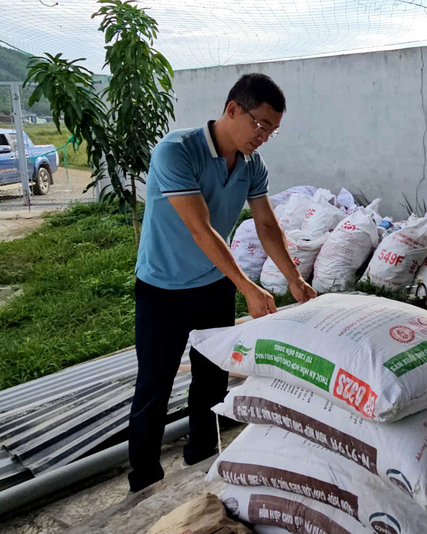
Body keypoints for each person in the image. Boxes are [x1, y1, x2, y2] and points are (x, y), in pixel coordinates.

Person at [128, 73, 317, 492]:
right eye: (260, 124)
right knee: (153, 388)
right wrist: (248, 286)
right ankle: (143, 482)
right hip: (163, 289)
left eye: (273, 130)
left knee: (211, 381)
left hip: (214, 287)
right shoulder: (176, 152)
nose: (264, 136)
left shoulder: (252, 164)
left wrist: (296, 281)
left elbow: (266, 225)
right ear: (232, 110)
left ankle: (202, 462)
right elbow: (201, 229)